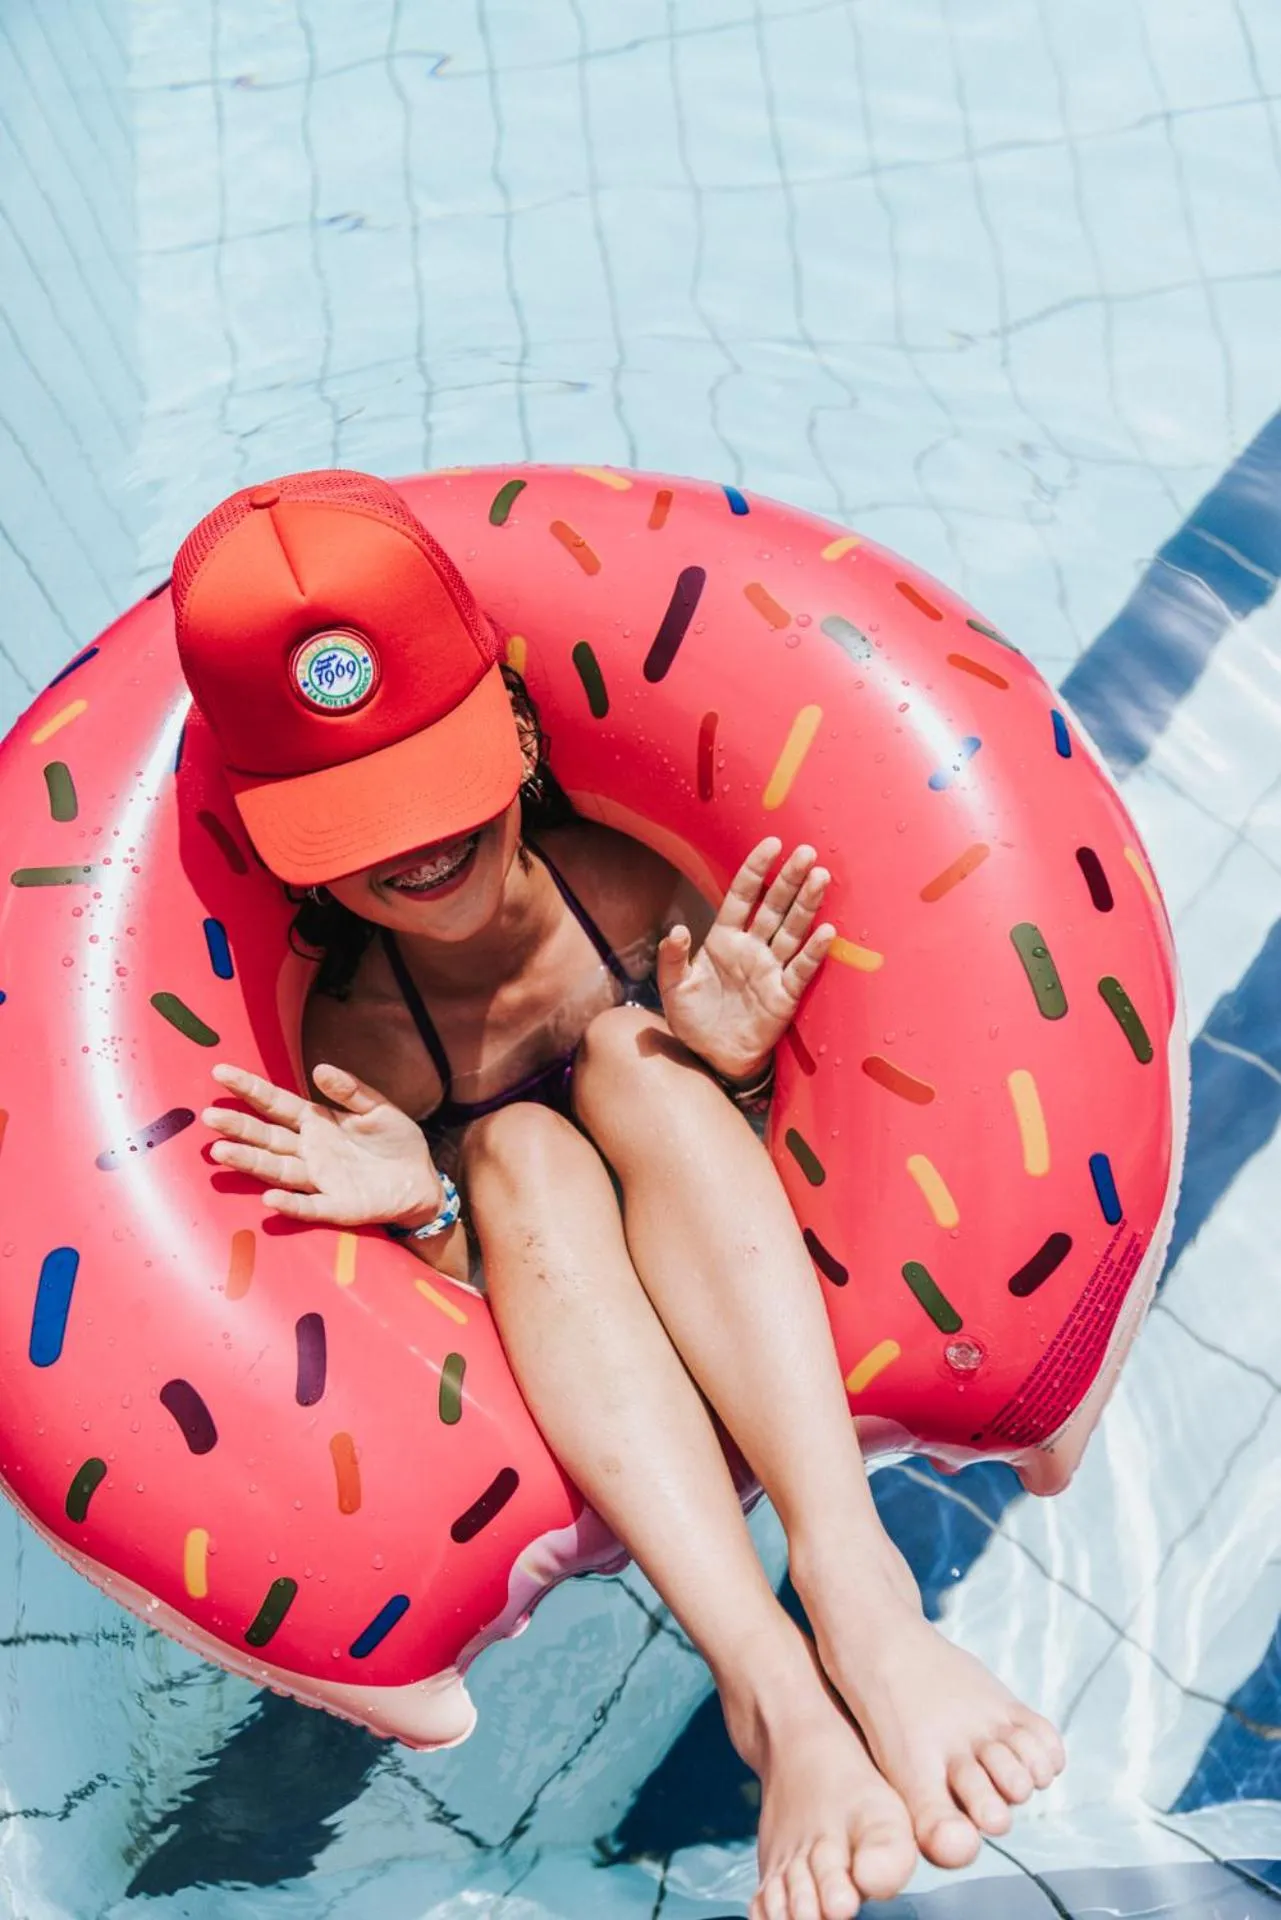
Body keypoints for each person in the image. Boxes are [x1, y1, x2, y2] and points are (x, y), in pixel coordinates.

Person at [175, 470, 1065, 1920]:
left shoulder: (645, 890)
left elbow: (814, 1140)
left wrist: (730, 1056)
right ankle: (774, 1696)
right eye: (356, 814)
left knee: (639, 1058)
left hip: (739, 1280)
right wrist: (422, 1204)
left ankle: (858, 1593)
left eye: (431, 774)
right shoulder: (358, 1045)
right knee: (517, 1152)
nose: (414, 841)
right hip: (576, 1336)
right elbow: (444, 1333)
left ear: (518, 729)